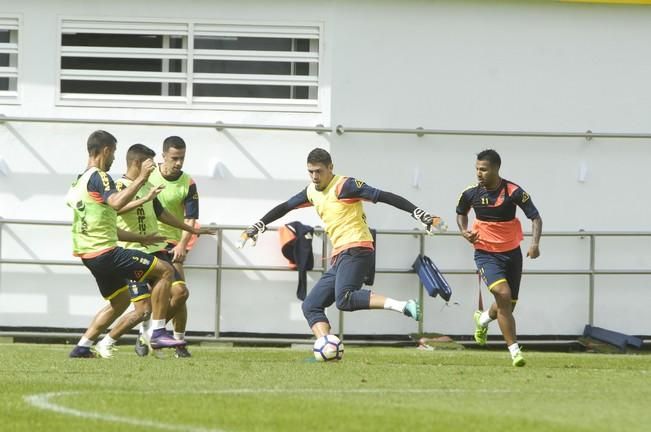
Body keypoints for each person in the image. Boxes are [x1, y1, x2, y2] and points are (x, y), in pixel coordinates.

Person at [239, 148, 445, 342]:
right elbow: (285, 207)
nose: (314, 177)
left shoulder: (345, 185)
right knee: (311, 306)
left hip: (358, 248)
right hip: (340, 255)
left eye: (319, 171)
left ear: (330, 168)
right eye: (310, 172)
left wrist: (420, 214)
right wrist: (258, 225)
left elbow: (384, 196)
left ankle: (402, 305)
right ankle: (327, 347)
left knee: (344, 299)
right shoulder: (312, 191)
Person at [66, 130, 186, 358]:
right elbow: (116, 202)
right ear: (106, 150)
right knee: (165, 271)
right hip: (106, 253)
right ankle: (158, 332)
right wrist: (141, 177)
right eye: (113, 154)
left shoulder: (78, 181)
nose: (113, 160)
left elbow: (103, 222)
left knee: (120, 300)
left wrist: (141, 238)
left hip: (88, 255)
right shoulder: (99, 176)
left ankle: (82, 346)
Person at [93, 144, 216, 358]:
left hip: (156, 248)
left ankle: (155, 333)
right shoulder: (119, 186)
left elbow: (161, 213)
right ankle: (107, 341)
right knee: (142, 311)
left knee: (180, 293)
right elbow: (117, 208)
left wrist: (191, 229)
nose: (153, 167)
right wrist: (144, 195)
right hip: (131, 252)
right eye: (149, 163)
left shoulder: (150, 185)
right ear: (137, 163)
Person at [456, 149, 542, 367]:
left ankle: (483, 319)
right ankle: (515, 351)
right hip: (485, 253)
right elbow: (461, 213)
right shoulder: (470, 193)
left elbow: (535, 217)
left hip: (512, 253)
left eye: (483, 169)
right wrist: (464, 231)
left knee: (507, 306)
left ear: (495, 169)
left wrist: (534, 244)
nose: (479, 173)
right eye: (477, 169)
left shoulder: (513, 191)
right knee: (502, 294)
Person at [146, 136, 200, 356]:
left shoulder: (188, 182)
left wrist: (182, 245)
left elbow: (191, 218)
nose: (179, 163)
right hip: (147, 244)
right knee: (152, 299)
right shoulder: (148, 175)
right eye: (174, 158)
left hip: (173, 245)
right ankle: (152, 333)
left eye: (182, 158)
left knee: (180, 294)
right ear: (164, 156)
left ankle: (176, 340)